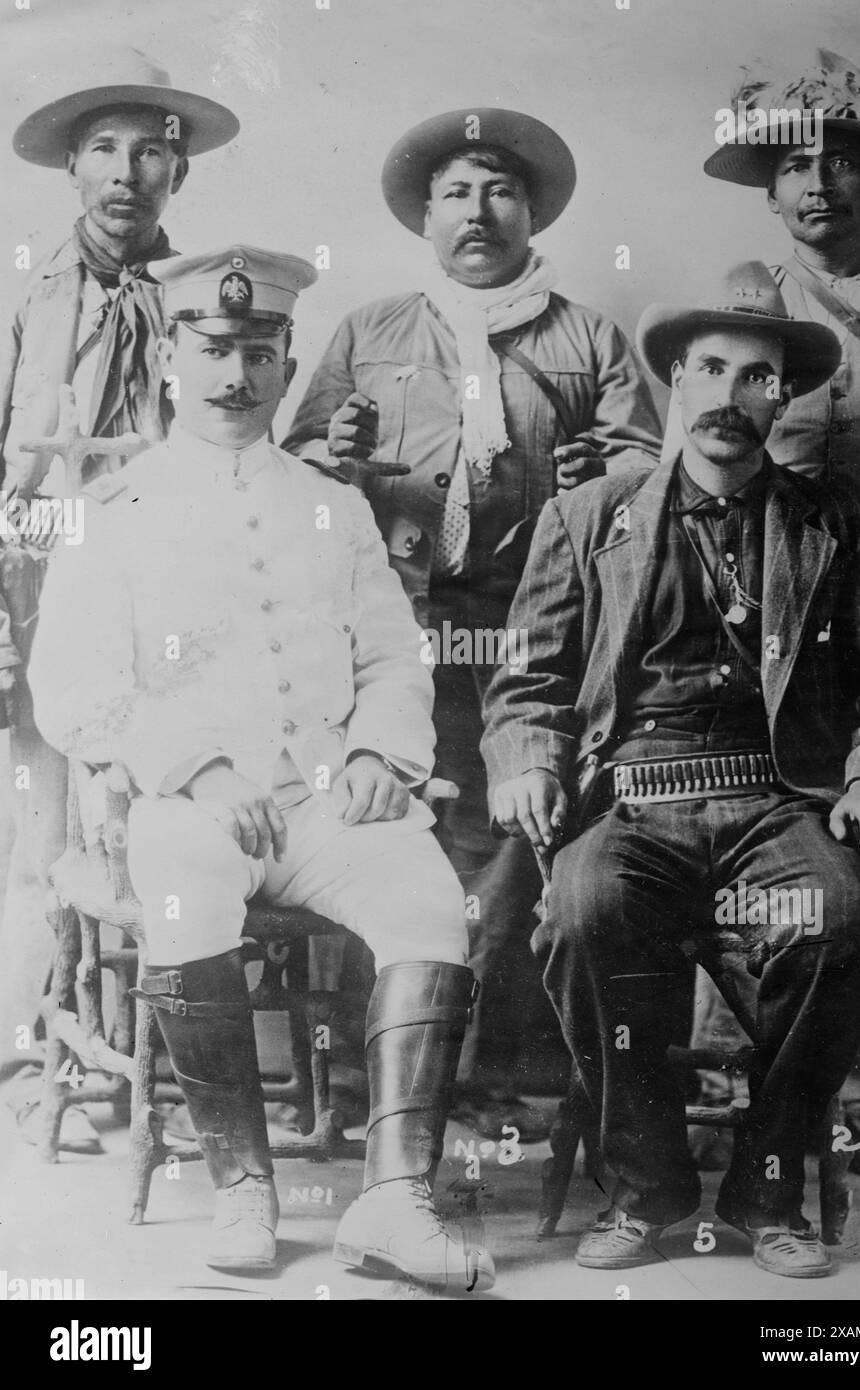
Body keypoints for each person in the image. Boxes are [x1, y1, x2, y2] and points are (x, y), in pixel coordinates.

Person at [29, 245, 495, 1294]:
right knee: (188, 896)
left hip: (328, 793)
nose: (235, 376)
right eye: (212, 351)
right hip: (186, 804)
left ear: (288, 364)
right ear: (169, 362)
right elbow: (73, 689)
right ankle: (242, 1180)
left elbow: (389, 653)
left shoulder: (332, 503)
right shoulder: (113, 512)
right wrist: (193, 768)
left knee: (431, 904)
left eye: (257, 353)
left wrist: (382, 751)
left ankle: (392, 1202)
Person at [481, 261, 860, 1277]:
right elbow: (524, 681)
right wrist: (523, 760)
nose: (731, 399)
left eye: (758, 379)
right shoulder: (586, 518)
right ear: (672, 381)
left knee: (835, 918)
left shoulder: (832, 520)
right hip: (630, 798)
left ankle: (764, 1186)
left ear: (785, 397)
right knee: (582, 910)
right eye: (711, 370)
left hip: (777, 800)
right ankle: (647, 1189)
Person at [282, 107, 662, 1133]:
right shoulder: (368, 331)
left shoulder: (586, 336)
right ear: (424, 215)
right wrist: (338, 452)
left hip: (529, 634)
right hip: (393, 632)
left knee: (507, 847)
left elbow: (651, 481)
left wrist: (602, 476)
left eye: (498, 189)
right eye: (455, 191)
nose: (478, 210)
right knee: (383, 833)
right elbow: (300, 477)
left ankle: (484, 1077)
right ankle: (372, 1086)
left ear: (530, 208)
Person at [702, 51, 860, 1174]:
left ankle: (848, 1092)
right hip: (767, 612)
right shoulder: (752, 304)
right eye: (794, 165)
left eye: (840, 163)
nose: (817, 186)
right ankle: (723, 1071)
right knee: (744, 828)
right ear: (767, 188)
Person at [0, 46, 239, 1153]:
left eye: (152, 151)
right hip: (36, 576)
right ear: (72, 169)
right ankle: (34, 1053)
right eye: (104, 149)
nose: (127, 173)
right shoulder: (20, 300)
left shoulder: (204, 306)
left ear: (176, 174)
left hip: (158, 599)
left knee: (141, 818)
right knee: (36, 825)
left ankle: (143, 1064)